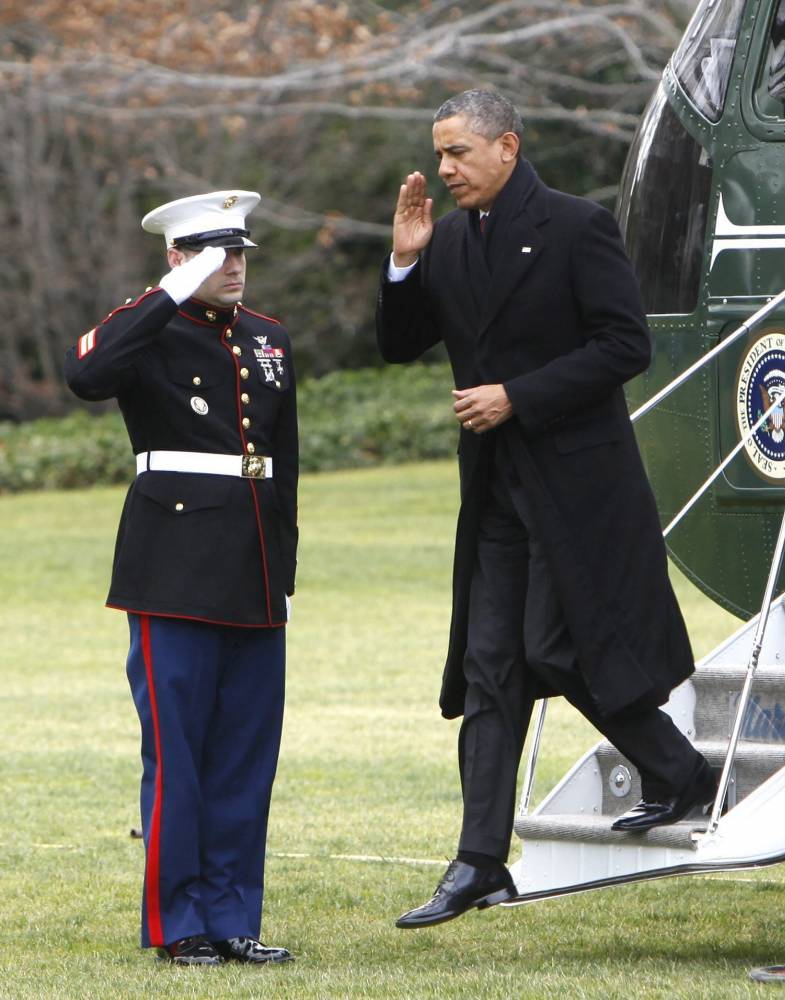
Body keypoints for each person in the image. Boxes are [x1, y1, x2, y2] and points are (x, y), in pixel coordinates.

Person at [376, 89, 715, 929]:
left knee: (556, 651)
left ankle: (680, 773)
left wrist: (516, 397)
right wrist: (405, 261)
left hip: (578, 487)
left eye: (459, 153)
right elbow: (396, 343)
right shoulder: (448, 240)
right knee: (491, 669)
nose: (446, 169)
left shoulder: (576, 226)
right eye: (441, 154)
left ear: (508, 149)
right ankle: (479, 862)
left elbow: (624, 344)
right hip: (494, 489)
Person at [65, 191, 298, 965]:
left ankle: (234, 918)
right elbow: (88, 375)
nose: (232, 266)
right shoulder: (146, 331)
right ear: (177, 257)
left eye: (238, 252)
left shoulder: (267, 338)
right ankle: (179, 924)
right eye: (212, 253)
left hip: (253, 568)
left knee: (244, 757)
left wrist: (284, 568)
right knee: (181, 759)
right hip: (172, 568)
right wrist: (166, 293)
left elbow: (282, 463)